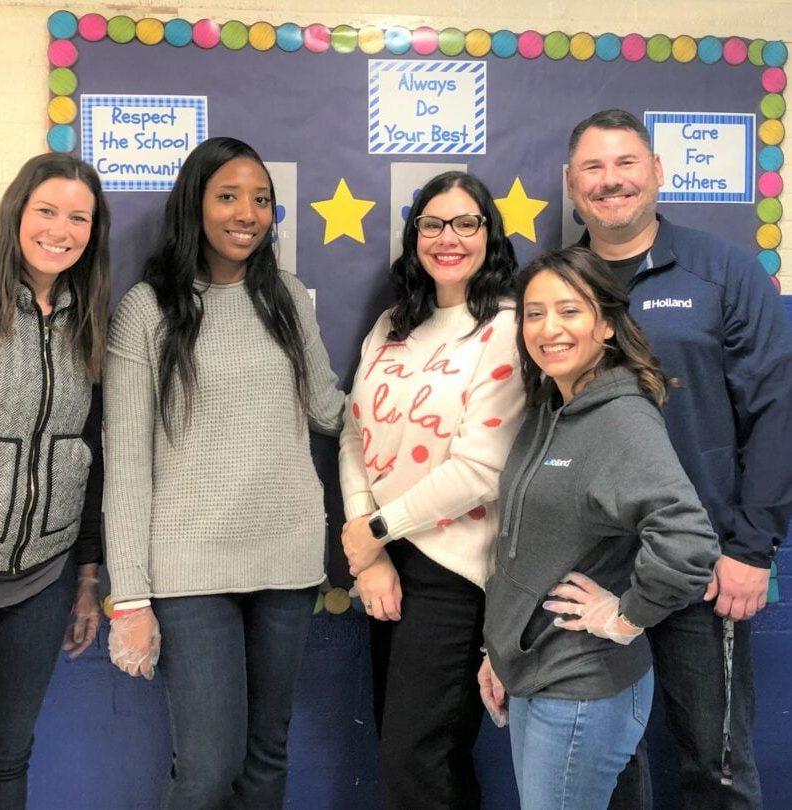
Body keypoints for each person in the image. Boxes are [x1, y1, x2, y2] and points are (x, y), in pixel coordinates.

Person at [103, 136, 344, 809]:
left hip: (287, 563)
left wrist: (427, 408)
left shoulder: (288, 299)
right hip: (191, 573)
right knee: (208, 768)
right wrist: (131, 598)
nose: (247, 212)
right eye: (229, 196)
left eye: (261, 200)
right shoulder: (147, 311)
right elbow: (125, 466)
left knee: (267, 759)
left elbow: (330, 410)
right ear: (196, 205)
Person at [566, 108, 792, 809]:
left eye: (626, 163)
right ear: (573, 187)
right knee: (609, 767)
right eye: (594, 169)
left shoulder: (721, 270)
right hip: (595, 569)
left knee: (716, 769)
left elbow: (778, 409)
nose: (612, 182)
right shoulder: (556, 286)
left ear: (658, 173)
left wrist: (754, 549)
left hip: (706, 567)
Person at [480, 245, 720, 810]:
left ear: (606, 325)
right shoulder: (549, 410)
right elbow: (530, 552)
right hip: (535, 674)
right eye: (534, 313)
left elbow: (688, 542)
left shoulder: (621, 418)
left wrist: (625, 615)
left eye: (570, 311)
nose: (548, 328)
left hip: (581, 689)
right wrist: (501, 651)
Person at [338, 170, 525, 809]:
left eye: (466, 223)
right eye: (433, 223)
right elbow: (352, 435)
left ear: (489, 234)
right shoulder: (393, 324)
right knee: (420, 757)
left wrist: (373, 532)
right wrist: (370, 549)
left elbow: (482, 469)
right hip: (386, 566)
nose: (449, 238)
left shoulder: (508, 326)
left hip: (456, 573)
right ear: (415, 234)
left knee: (415, 759)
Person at [0, 153, 109, 808]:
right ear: (17, 212)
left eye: (78, 217)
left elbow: (87, 457)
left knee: (6, 756)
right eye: (47, 211)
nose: (61, 229)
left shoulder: (88, 319)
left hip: (42, 579)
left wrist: (87, 580)